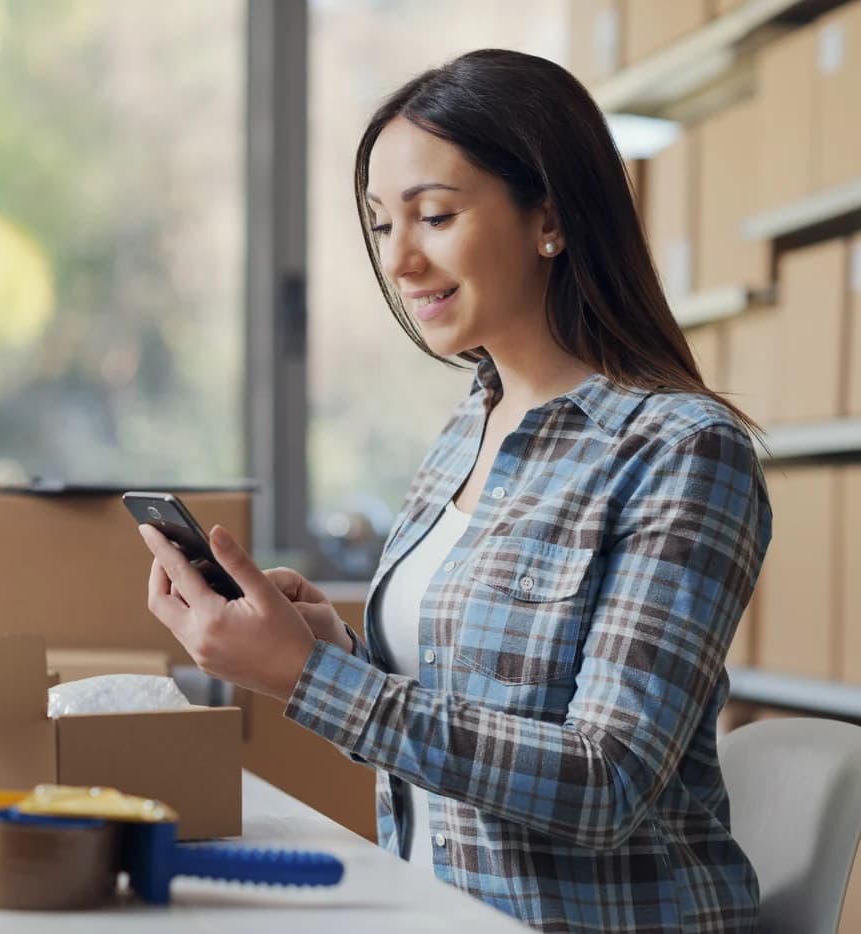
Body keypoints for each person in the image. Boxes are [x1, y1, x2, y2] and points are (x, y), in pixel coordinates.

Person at [137, 48, 770, 934]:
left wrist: (309, 679)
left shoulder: (683, 450)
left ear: (548, 217)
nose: (400, 260)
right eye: (380, 225)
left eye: (433, 216)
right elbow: (468, 700)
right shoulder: (467, 426)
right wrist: (329, 649)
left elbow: (607, 783)